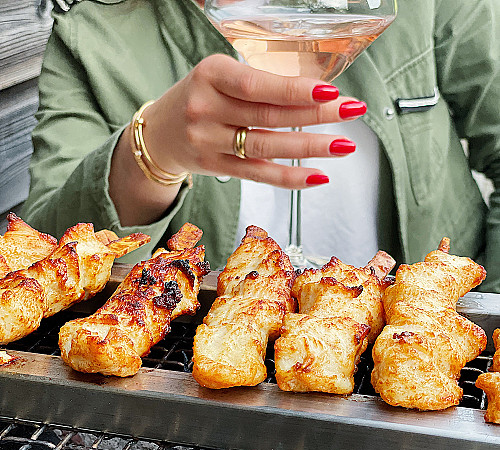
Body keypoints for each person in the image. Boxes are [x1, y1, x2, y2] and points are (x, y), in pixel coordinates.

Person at [21, 0, 500, 292]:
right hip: (203, 388)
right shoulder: (91, 33)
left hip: (417, 350)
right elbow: (42, 262)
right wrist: (151, 152)